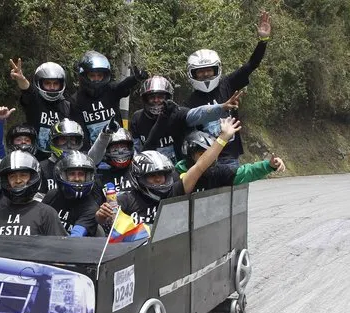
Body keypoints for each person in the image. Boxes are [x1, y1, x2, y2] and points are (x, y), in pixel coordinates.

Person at [95, 117, 242, 225]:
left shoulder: (174, 192)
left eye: (162, 175)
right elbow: (104, 219)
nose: (159, 179)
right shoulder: (127, 199)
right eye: (152, 176)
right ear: (139, 178)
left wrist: (223, 137)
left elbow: (200, 166)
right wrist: (102, 215)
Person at [185, 10, 272, 168]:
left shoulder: (227, 84)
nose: (205, 75)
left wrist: (263, 40)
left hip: (230, 156)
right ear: (193, 74)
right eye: (200, 71)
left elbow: (251, 65)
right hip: (205, 159)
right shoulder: (191, 102)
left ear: (216, 70)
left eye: (209, 70)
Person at [130, 76, 242, 163]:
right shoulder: (137, 118)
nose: (156, 100)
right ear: (145, 99)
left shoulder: (177, 113)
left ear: (168, 98)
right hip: (151, 170)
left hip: (179, 170)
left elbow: (199, 113)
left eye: (160, 97)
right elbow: (136, 150)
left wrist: (221, 107)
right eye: (152, 97)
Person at [69, 50, 148, 147]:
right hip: (93, 151)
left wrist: (135, 78)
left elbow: (122, 86)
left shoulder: (111, 90)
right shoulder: (76, 100)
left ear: (105, 76)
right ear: (84, 76)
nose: (96, 79)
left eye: (99, 75)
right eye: (92, 76)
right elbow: (80, 131)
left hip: (118, 147)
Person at [0, 150, 68, 236]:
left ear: (32, 177)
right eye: (12, 177)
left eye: (23, 175)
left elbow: (59, 246)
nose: (18, 181)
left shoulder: (46, 214)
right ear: (6, 181)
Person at [175, 130, 286, 192]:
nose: (208, 157)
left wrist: (269, 165)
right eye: (201, 154)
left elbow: (246, 172)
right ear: (189, 155)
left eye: (210, 153)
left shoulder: (216, 172)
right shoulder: (175, 177)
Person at [9, 59, 71, 159]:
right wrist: (21, 79)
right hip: (32, 157)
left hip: (59, 159)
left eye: (55, 84)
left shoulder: (67, 106)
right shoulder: (35, 101)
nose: (51, 87)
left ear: (61, 84)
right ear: (40, 83)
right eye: (47, 83)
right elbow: (27, 90)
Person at [42, 151, 99, 237]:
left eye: (81, 174)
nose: (77, 179)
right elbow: (39, 222)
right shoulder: (52, 195)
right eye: (72, 174)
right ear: (61, 175)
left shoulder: (91, 208)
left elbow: (76, 236)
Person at [39, 118, 85, 193]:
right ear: (54, 141)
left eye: (72, 139)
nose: (69, 145)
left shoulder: (84, 165)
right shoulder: (41, 168)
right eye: (63, 139)